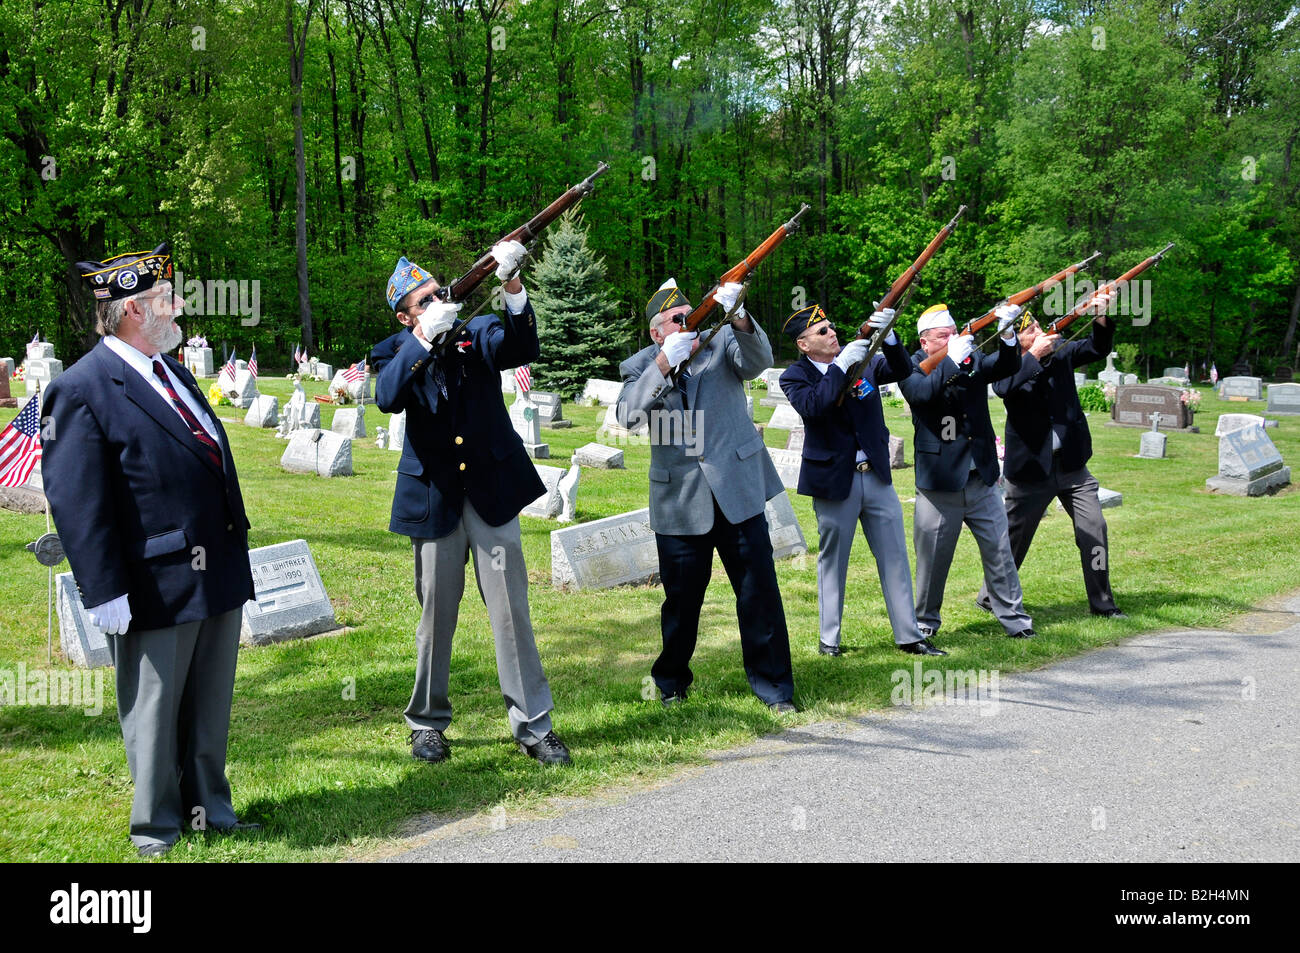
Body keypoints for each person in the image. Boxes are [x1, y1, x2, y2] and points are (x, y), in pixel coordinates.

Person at [42, 242, 259, 857]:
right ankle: (156, 827)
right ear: (135, 310)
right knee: (155, 710)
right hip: (152, 578)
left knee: (209, 702)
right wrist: (102, 588)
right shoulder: (82, 388)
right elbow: (79, 500)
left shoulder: (171, 371)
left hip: (212, 567)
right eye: (168, 299)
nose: (180, 305)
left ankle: (208, 808)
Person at [371, 242, 570, 766]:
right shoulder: (394, 348)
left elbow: (522, 348)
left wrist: (512, 286)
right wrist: (421, 336)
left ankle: (533, 726)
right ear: (406, 313)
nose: (440, 300)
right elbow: (388, 396)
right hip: (435, 500)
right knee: (436, 615)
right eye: (426, 299)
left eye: (441, 292)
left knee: (510, 613)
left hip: (491, 493)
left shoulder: (476, 333)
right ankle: (426, 724)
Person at [616, 279, 796, 712]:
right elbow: (628, 417)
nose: (685, 324)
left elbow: (758, 361)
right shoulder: (639, 364)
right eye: (674, 321)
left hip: (737, 489)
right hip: (680, 501)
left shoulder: (721, 344)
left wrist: (738, 314)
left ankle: (774, 688)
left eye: (689, 316)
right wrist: (663, 364)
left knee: (759, 593)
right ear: (657, 332)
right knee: (682, 601)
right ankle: (671, 682)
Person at [778, 303, 940, 656]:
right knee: (833, 561)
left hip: (877, 476)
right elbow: (815, 406)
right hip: (835, 482)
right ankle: (829, 639)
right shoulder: (794, 376)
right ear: (804, 345)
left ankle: (910, 636)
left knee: (895, 555)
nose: (832, 333)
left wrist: (891, 337)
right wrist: (838, 367)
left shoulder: (862, 362)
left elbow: (902, 370)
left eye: (832, 326)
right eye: (822, 332)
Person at [979, 293, 1126, 618]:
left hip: (1073, 466)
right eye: (1031, 328)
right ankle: (990, 595)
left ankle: (1103, 604)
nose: (1041, 330)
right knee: (1014, 541)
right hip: (1031, 470)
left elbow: (1097, 348)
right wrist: (1034, 355)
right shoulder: (1007, 362)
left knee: (1095, 531)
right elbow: (1005, 388)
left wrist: (1100, 316)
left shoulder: (1062, 351)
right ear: (1017, 338)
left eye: (1038, 324)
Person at [897, 303, 1034, 645]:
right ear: (925, 342)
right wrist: (951, 360)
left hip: (981, 475)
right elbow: (922, 395)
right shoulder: (912, 367)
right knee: (933, 560)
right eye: (944, 336)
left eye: (955, 332)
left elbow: (1006, 365)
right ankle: (925, 622)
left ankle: (1015, 619)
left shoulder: (968, 358)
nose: (954, 338)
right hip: (940, 482)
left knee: (1000, 552)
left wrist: (1006, 335)